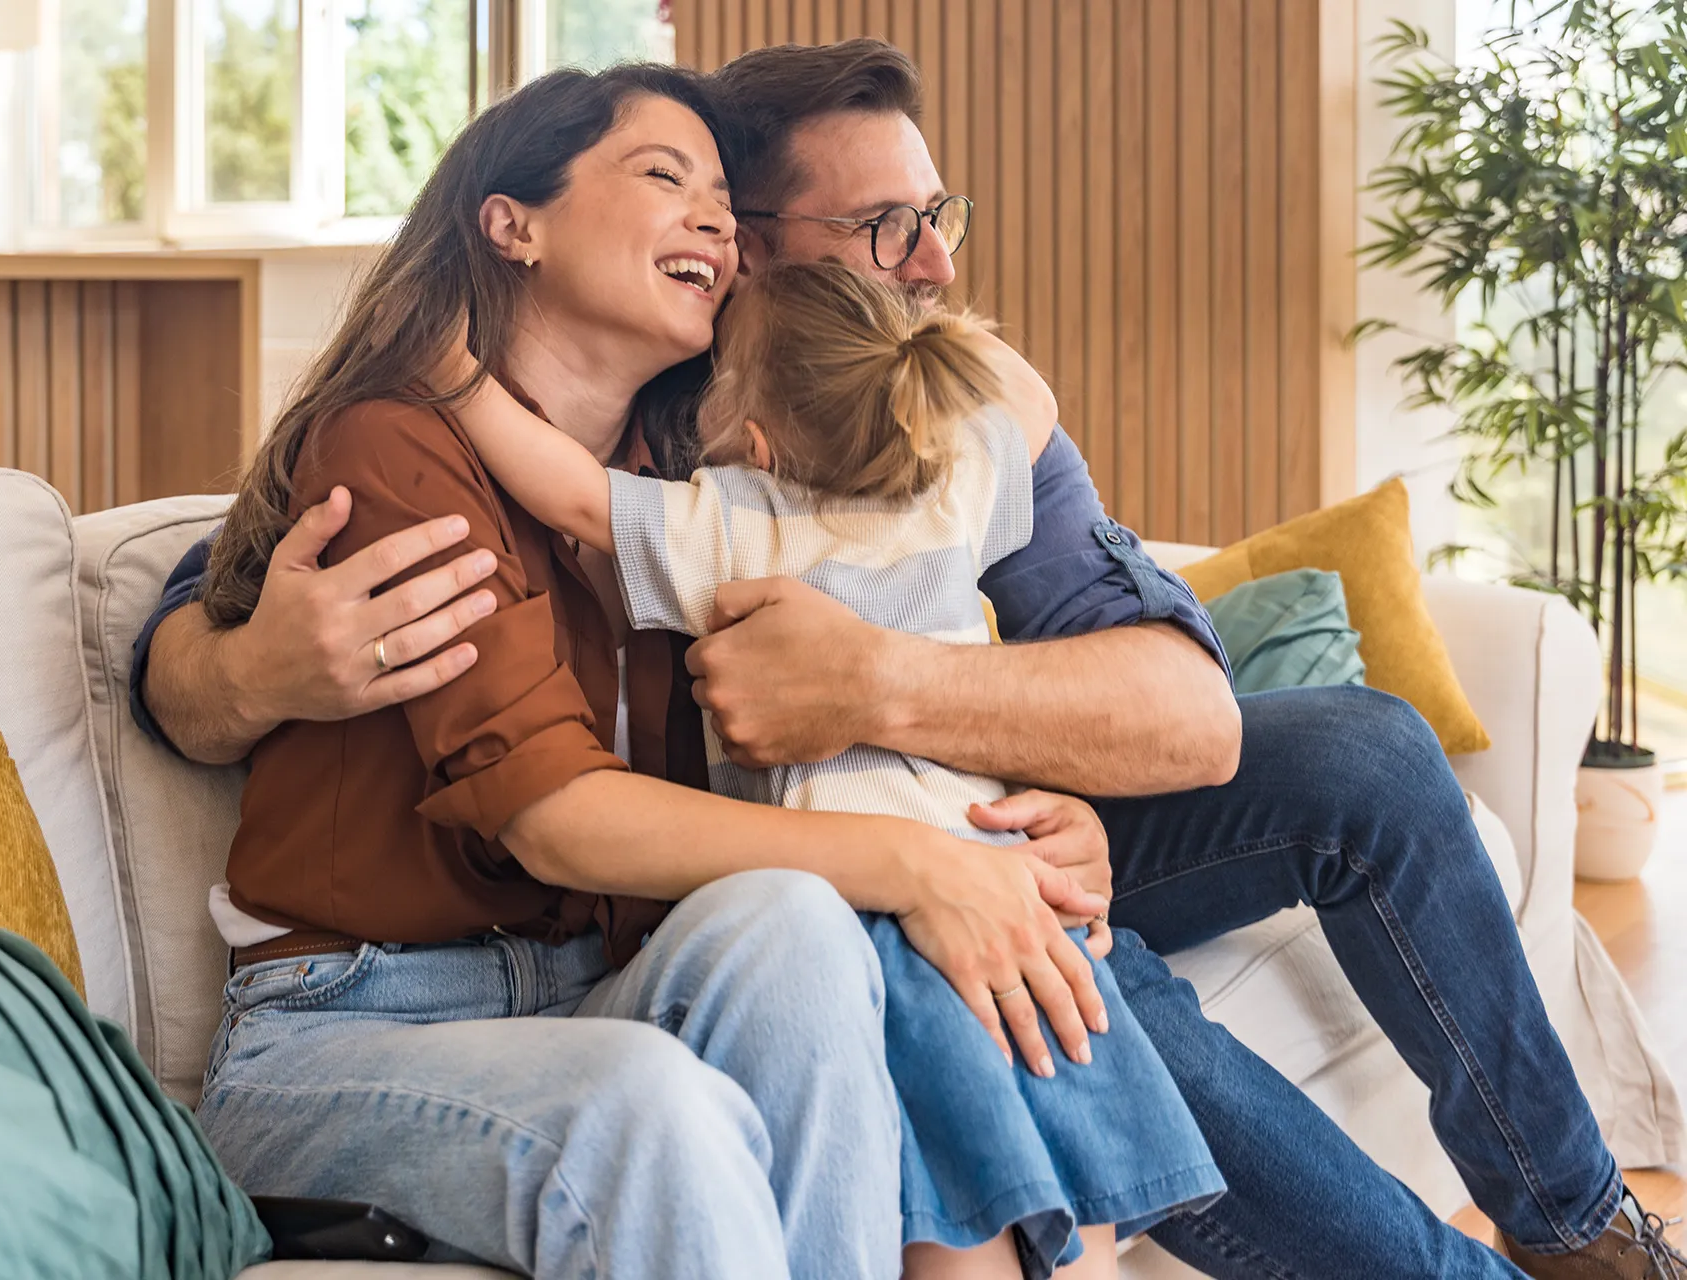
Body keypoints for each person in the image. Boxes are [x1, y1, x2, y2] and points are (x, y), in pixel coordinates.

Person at [134, 39, 1685, 1280]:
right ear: (748, 254)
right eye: (886, 230)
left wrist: (925, 717)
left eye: (939, 218)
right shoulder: (639, 419)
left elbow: (1185, 710)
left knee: (1360, 754)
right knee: (1040, 966)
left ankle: (1574, 1220)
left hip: (918, 805)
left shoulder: (938, 408)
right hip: (778, 867)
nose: (932, 265)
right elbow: (222, 596)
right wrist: (244, 670)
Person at [176, 61, 1121, 1280]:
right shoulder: (391, 439)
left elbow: (899, 652)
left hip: (597, 984)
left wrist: (1016, 827)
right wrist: (920, 862)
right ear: (511, 223)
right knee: (647, 1100)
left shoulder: (713, 473)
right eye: (663, 176)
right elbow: (555, 817)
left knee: (794, 918)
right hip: (350, 1024)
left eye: (724, 197)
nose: (716, 218)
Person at [441, 256, 1227, 1276]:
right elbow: (1031, 399)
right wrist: (918, 335)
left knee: (957, 1210)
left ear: (756, 438)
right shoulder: (962, 482)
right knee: (1082, 1214)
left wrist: (453, 372)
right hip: (1016, 886)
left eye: (722, 379)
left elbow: (574, 496)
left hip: (886, 921)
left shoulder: (739, 522)